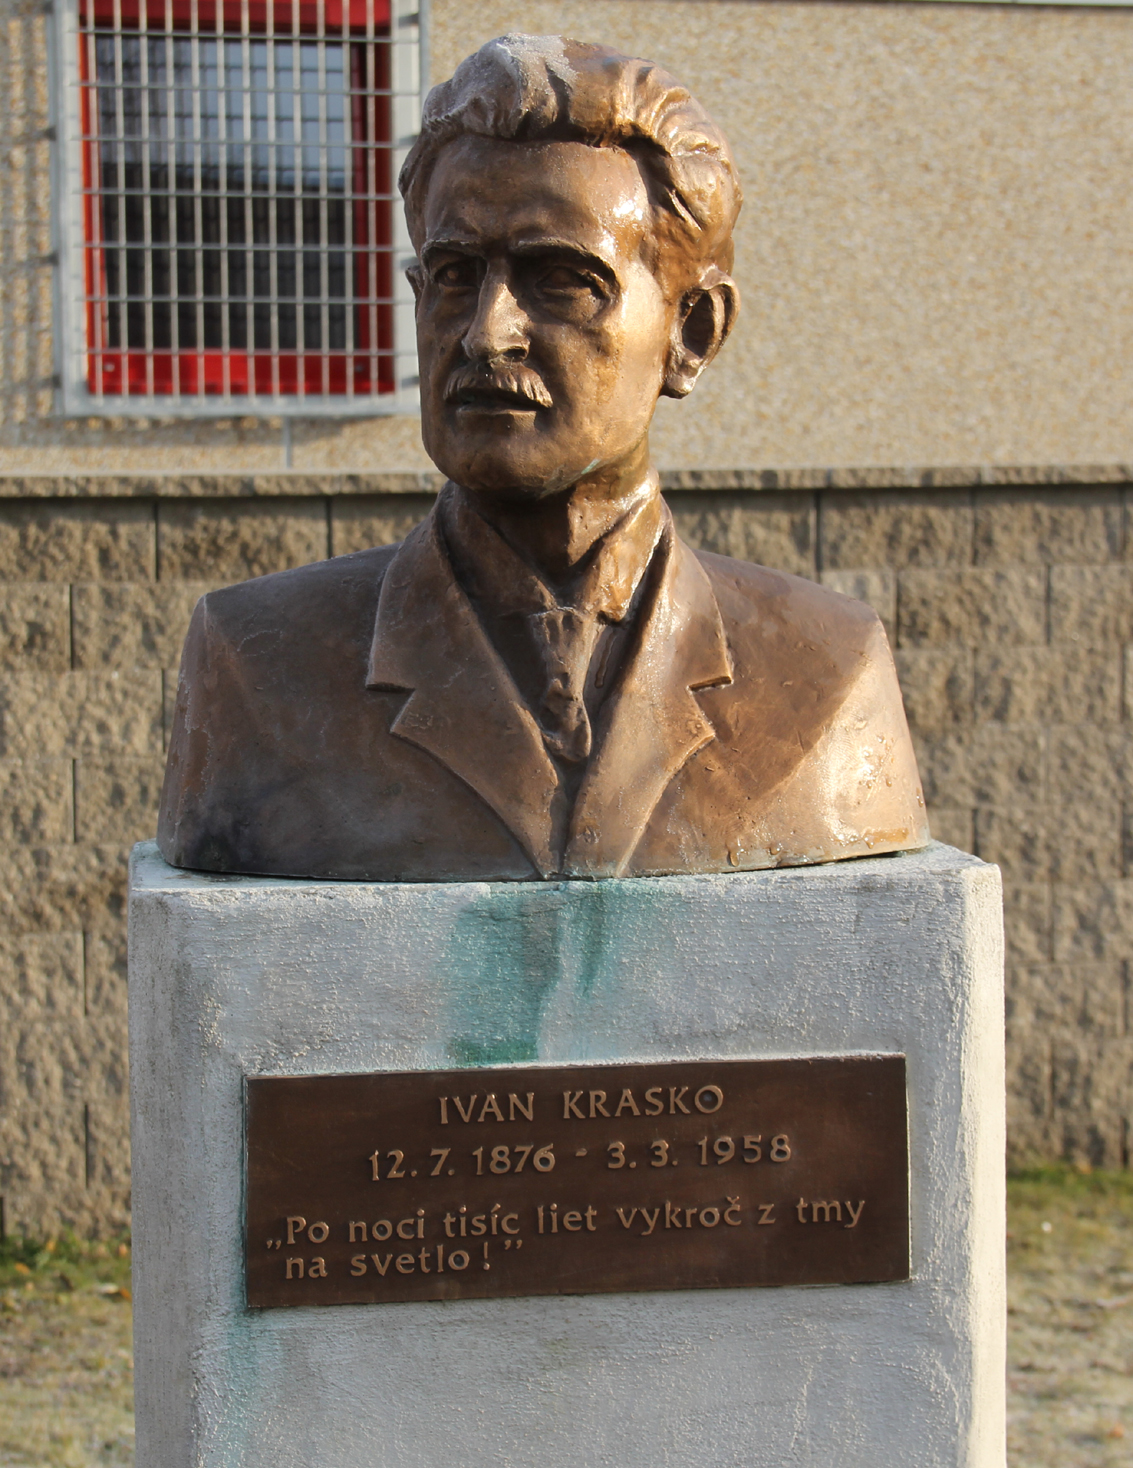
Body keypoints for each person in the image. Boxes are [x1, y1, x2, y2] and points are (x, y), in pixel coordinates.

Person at [158, 34, 928, 881]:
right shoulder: (256, 663)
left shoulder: (825, 670)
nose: (486, 333)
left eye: (560, 280)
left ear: (692, 332)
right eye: (454, 274)